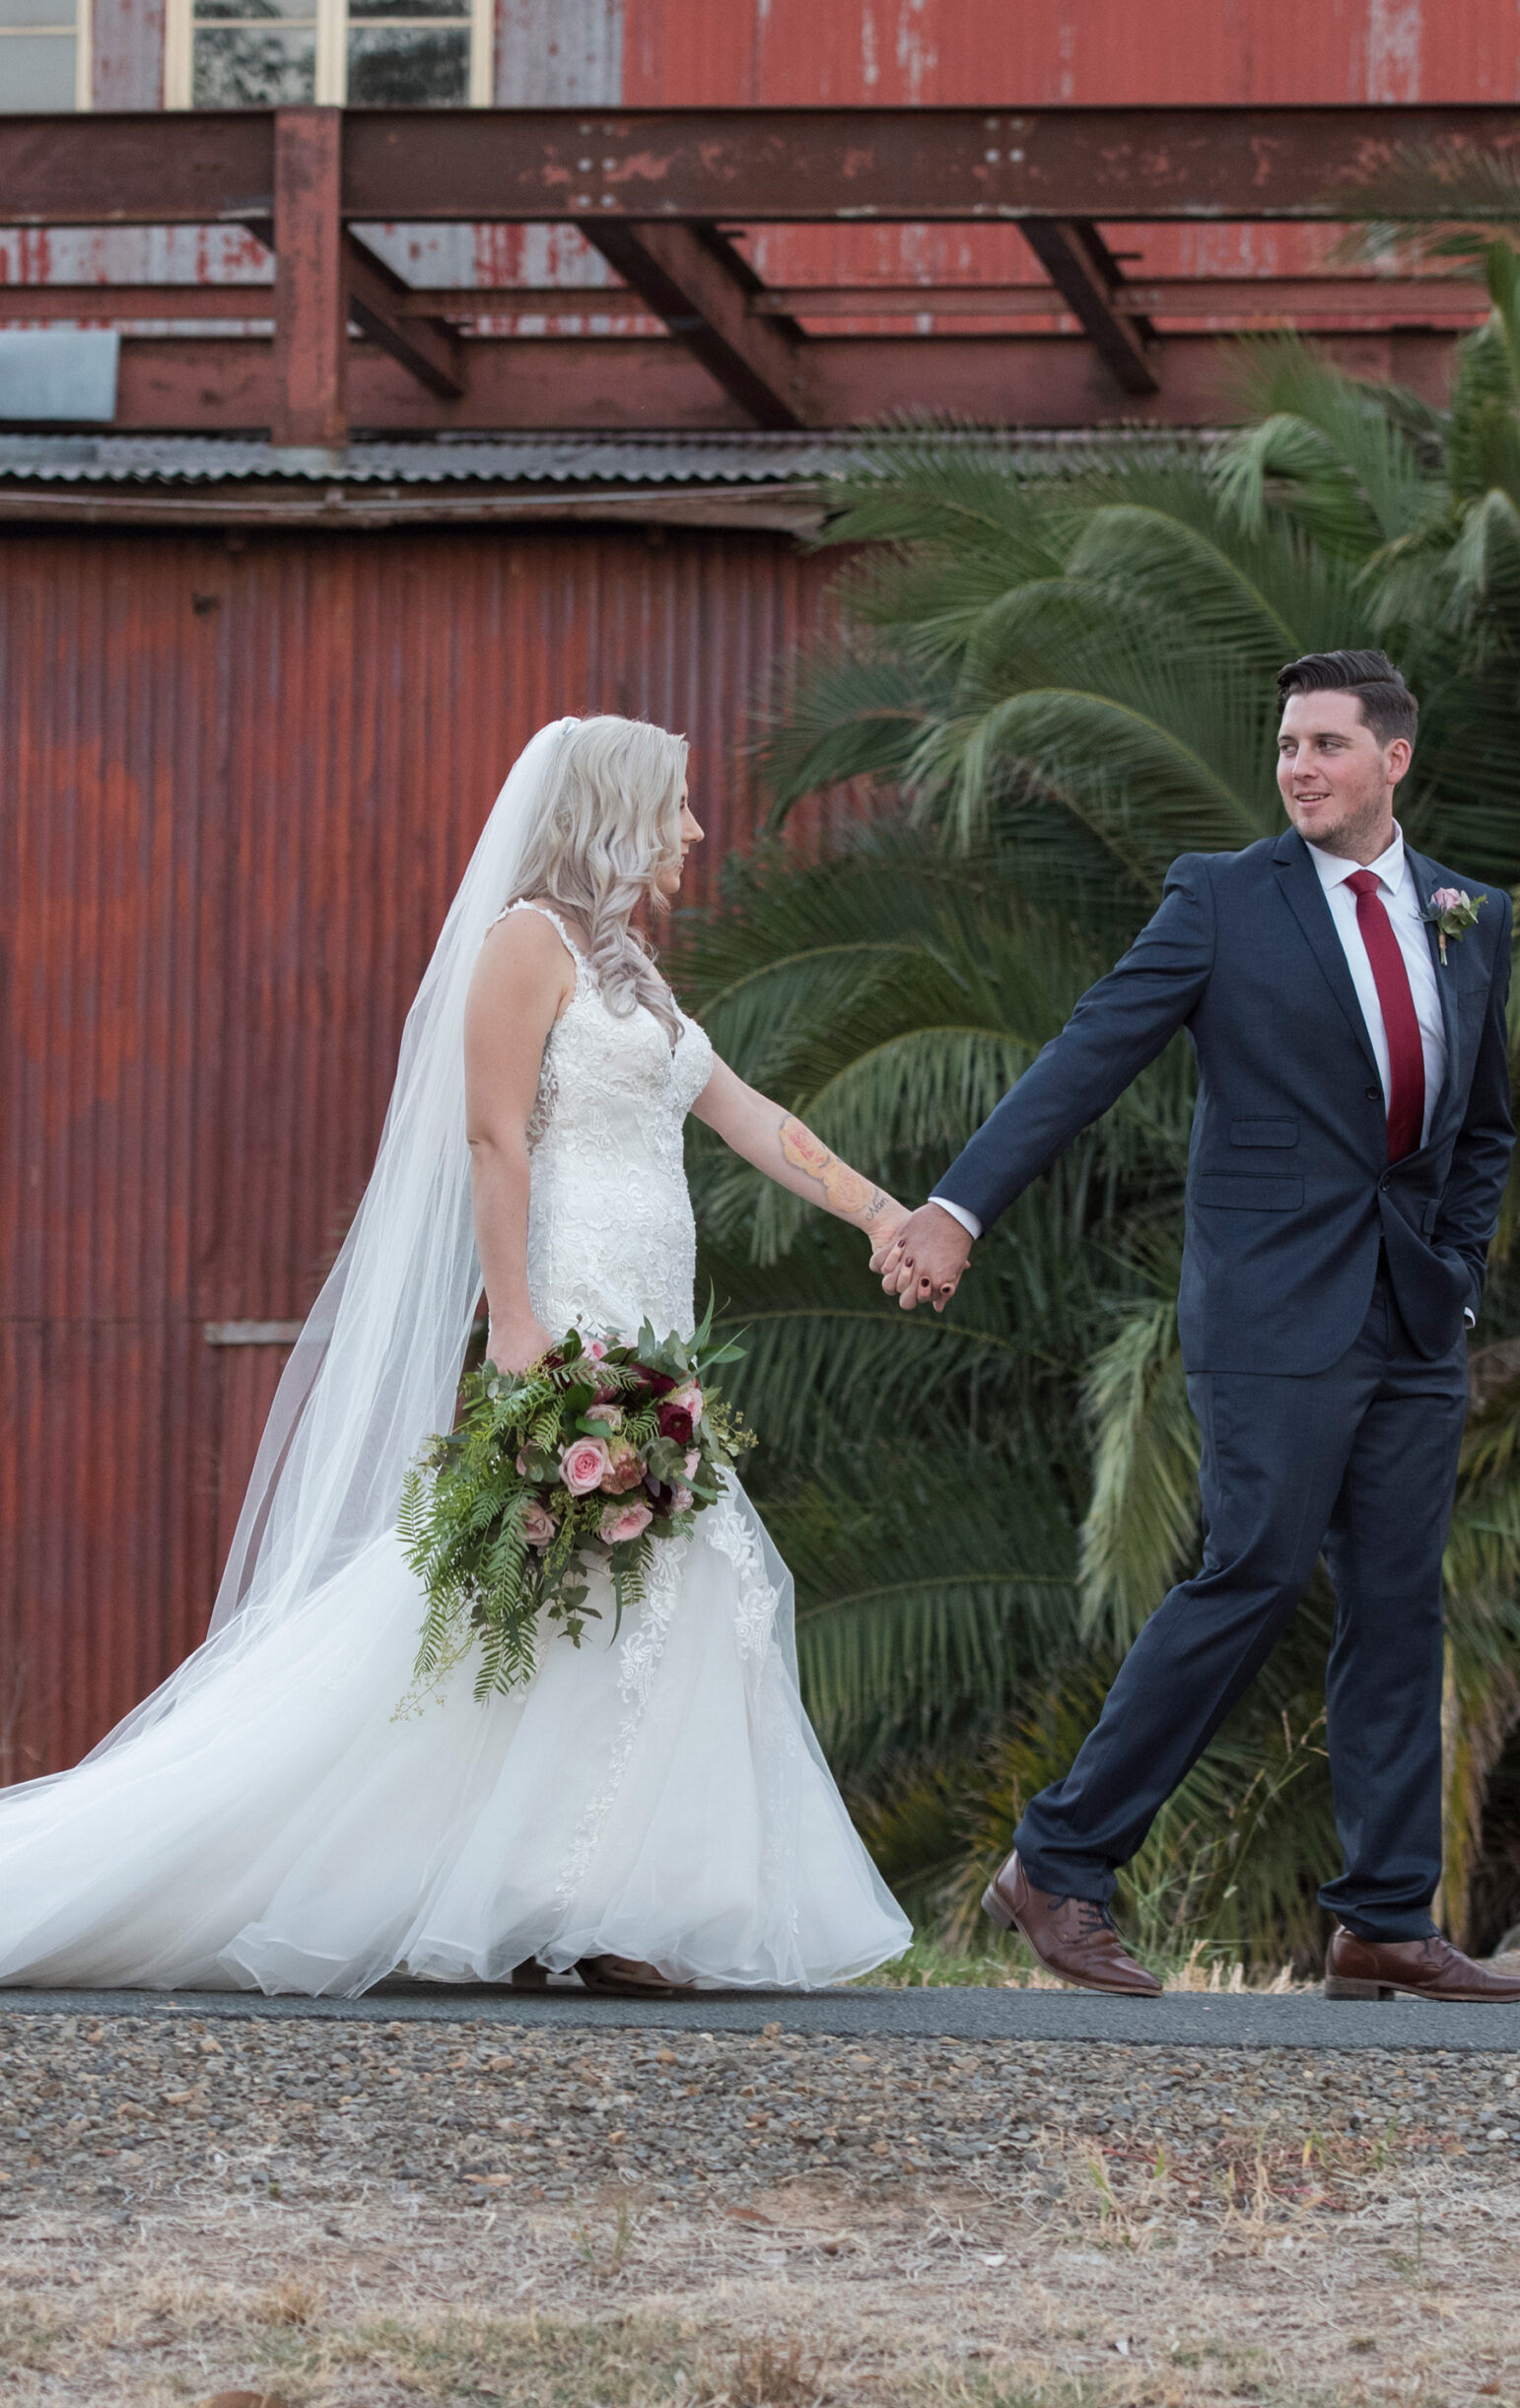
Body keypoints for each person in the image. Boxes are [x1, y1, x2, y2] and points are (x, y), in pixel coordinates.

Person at [0, 715, 911, 1998]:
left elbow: (749, 1115)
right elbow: (493, 1138)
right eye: (678, 808)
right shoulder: (524, 946)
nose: (694, 833)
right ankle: (563, 1899)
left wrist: (880, 1211)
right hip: (577, 1316)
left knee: (647, 1599)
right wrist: (518, 1322)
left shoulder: (634, 974)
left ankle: (590, 1894)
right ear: (614, 814)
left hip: (658, 1334)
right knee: (560, 1596)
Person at [874, 651, 1520, 2004]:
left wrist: (1457, 1275)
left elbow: (1481, 1130)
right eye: (1288, 746)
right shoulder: (1224, 902)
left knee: (1403, 1605)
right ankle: (1059, 1864)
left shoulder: (1474, 912)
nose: (1299, 768)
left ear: (1394, 760)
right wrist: (956, 1208)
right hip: (1270, 1305)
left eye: (1327, 746)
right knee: (1250, 1569)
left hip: (1415, 1316)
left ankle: (1383, 1917)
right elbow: (1086, 1054)